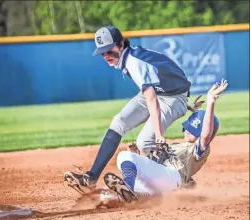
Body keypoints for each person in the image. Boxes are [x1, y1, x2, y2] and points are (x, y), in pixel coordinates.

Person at [64, 25, 191, 193]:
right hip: (159, 91)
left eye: (109, 50)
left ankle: (180, 179)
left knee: (145, 142)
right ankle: (91, 177)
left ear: (121, 44)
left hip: (173, 97)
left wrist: (160, 136)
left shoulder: (134, 62)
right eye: (102, 53)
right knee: (119, 122)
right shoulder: (127, 58)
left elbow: (152, 99)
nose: (106, 56)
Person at [102, 80, 228, 203]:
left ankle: (130, 186)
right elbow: (154, 165)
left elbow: (205, 136)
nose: (188, 131)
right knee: (106, 195)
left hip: (172, 177)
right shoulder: (179, 146)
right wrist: (140, 155)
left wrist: (211, 101)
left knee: (124, 156)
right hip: (161, 182)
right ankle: (143, 196)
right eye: (189, 128)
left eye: (194, 130)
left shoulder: (198, 150)